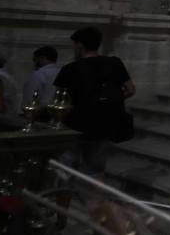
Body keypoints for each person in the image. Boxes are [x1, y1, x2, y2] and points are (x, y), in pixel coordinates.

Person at [53, 27, 135, 175]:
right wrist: (113, 100)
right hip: (104, 123)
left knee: (66, 170)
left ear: (79, 45)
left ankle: (63, 196)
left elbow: (59, 100)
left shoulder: (70, 69)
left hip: (76, 124)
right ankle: (94, 198)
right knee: (95, 171)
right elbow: (130, 89)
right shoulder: (114, 63)